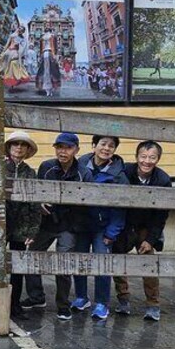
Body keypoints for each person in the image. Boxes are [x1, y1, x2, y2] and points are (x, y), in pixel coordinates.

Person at [34, 132, 93, 320]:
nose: (63, 151)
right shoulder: (47, 167)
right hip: (47, 222)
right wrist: (39, 204)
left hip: (69, 224)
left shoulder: (84, 173)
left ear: (76, 150)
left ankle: (63, 304)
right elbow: (36, 191)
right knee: (31, 256)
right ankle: (36, 296)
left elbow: (88, 202)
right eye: (59, 147)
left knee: (64, 263)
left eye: (67, 147)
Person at [113, 141, 172, 321]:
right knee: (118, 260)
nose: (147, 161)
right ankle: (123, 299)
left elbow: (161, 215)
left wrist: (151, 239)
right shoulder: (125, 172)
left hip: (147, 225)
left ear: (158, 159)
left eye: (152, 157)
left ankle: (153, 304)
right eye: (143, 157)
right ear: (137, 157)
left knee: (149, 263)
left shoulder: (163, 180)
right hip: (124, 223)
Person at [73, 135, 128, 320]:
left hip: (103, 227)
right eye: (103, 144)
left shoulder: (119, 174)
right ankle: (81, 297)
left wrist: (112, 232)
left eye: (111, 146)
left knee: (102, 263)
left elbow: (121, 207)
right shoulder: (79, 165)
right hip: (81, 224)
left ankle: (102, 303)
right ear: (94, 145)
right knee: (79, 261)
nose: (106, 148)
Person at [4, 132, 44, 320]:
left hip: (21, 226)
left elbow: (34, 205)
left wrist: (32, 230)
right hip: (0, 224)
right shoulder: (0, 168)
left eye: (23, 145)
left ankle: (15, 305)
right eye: (15, 144)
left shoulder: (30, 172)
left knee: (17, 268)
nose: (18, 148)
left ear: (27, 150)